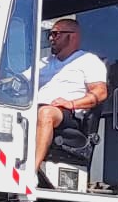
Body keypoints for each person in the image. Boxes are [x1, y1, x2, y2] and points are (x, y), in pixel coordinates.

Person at [32, 17, 109, 174]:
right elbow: (17, 80)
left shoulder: (87, 61)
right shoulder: (44, 62)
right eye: (50, 34)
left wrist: (72, 103)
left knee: (45, 113)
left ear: (72, 36)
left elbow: (100, 93)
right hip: (35, 108)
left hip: (67, 114)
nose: (51, 38)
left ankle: (30, 172)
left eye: (55, 34)